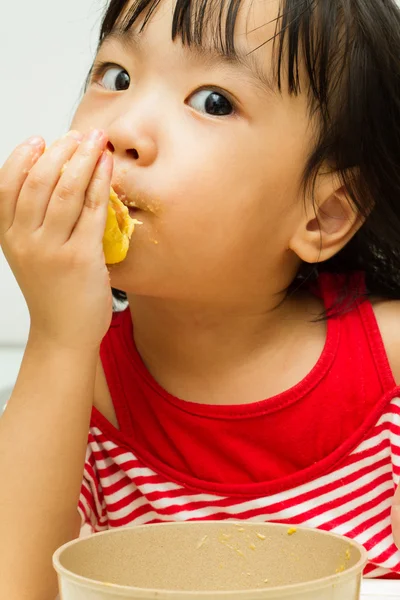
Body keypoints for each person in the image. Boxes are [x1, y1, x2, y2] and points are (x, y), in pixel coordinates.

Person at [1, 0, 400, 597]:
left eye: (214, 101)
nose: (124, 130)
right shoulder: (82, 387)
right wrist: (57, 336)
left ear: (324, 214)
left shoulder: (389, 363)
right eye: (117, 76)